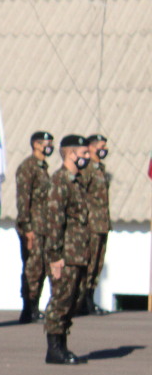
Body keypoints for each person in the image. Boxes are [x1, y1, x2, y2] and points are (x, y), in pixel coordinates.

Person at [42, 135, 93, 364]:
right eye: (83, 153)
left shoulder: (77, 181)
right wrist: (55, 256)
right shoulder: (60, 181)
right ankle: (54, 349)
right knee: (60, 300)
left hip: (79, 253)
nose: (87, 157)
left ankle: (62, 344)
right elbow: (54, 221)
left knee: (73, 300)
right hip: (65, 255)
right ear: (71, 154)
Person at [14, 131, 53, 324]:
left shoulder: (43, 167)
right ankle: (27, 307)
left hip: (44, 227)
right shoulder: (27, 167)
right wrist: (26, 228)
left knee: (42, 268)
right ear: (35, 144)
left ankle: (35, 305)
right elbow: (23, 199)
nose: (49, 146)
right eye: (46, 143)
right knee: (32, 268)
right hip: (33, 227)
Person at [78, 133, 112, 316]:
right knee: (89, 263)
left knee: (97, 264)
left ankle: (90, 298)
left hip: (102, 223)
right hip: (91, 223)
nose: (103, 149)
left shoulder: (100, 169)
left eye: (104, 146)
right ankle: (83, 301)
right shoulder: (86, 169)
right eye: (100, 146)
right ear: (90, 147)